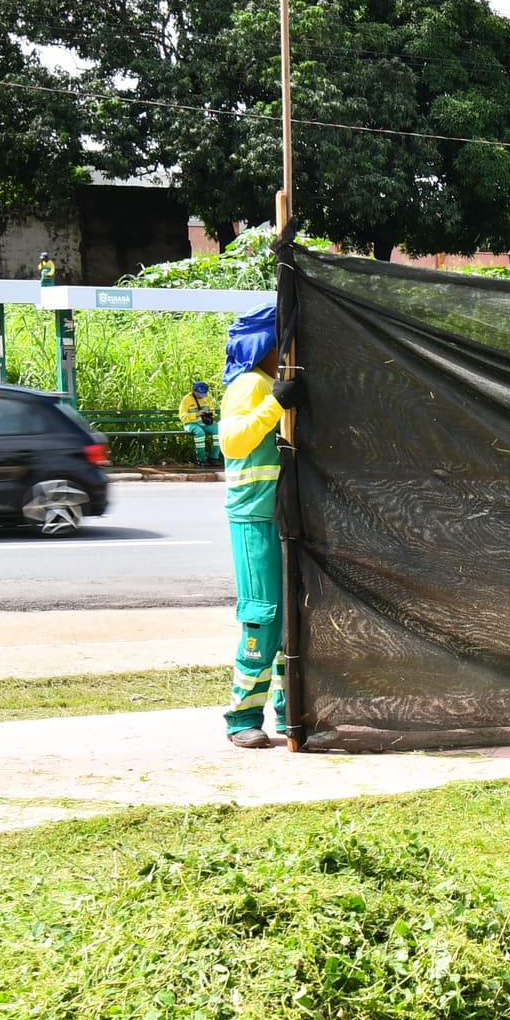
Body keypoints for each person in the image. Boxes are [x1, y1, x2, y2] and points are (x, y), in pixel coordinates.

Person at [216, 302, 305, 748]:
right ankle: (242, 717)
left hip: (285, 516)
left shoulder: (273, 384)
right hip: (255, 516)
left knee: (292, 619)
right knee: (264, 616)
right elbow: (232, 441)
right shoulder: (251, 384)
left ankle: (291, 712)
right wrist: (274, 403)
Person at [178, 380, 220, 465]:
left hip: (205, 423)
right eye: (199, 394)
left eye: (203, 394)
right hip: (190, 423)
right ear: (194, 391)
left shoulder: (207, 398)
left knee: (218, 431)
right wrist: (196, 414)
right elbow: (182, 417)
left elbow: (212, 410)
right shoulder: (186, 399)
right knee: (200, 433)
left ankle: (214, 457)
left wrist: (210, 412)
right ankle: (201, 459)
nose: (201, 396)